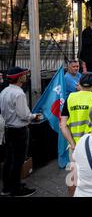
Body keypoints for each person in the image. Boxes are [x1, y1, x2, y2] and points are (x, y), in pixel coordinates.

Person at [0, 67, 41, 197]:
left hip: (8, 129)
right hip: (19, 131)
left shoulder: (4, 91)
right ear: (19, 77)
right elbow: (24, 115)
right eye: (23, 74)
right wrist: (34, 116)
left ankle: (7, 187)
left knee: (9, 160)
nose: (25, 76)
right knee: (17, 161)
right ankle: (16, 189)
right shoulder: (19, 94)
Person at [60, 72, 92, 156]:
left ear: (79, 83)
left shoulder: (70, 98)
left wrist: (73, 145)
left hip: (74, 147)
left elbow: (63, 125)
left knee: (75, 169)